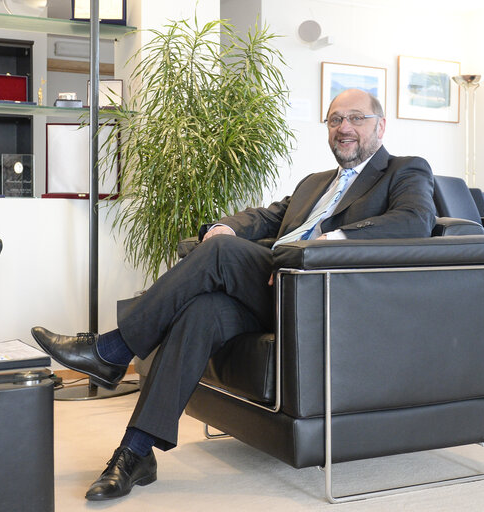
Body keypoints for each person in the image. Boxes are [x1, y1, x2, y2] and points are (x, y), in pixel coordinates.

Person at [31, 88, 437, 500]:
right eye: (335, 120)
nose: (344, 128)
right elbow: (267, 215)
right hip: (271, 289)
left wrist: (321, 246)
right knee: (202, 310)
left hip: (322, 294)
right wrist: (224, 226)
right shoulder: (316, 183)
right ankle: (135, 453)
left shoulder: (404, 171)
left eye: (356, 118)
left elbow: (414, 221)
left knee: (220, 254)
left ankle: (113, 350)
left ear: (380, 126)